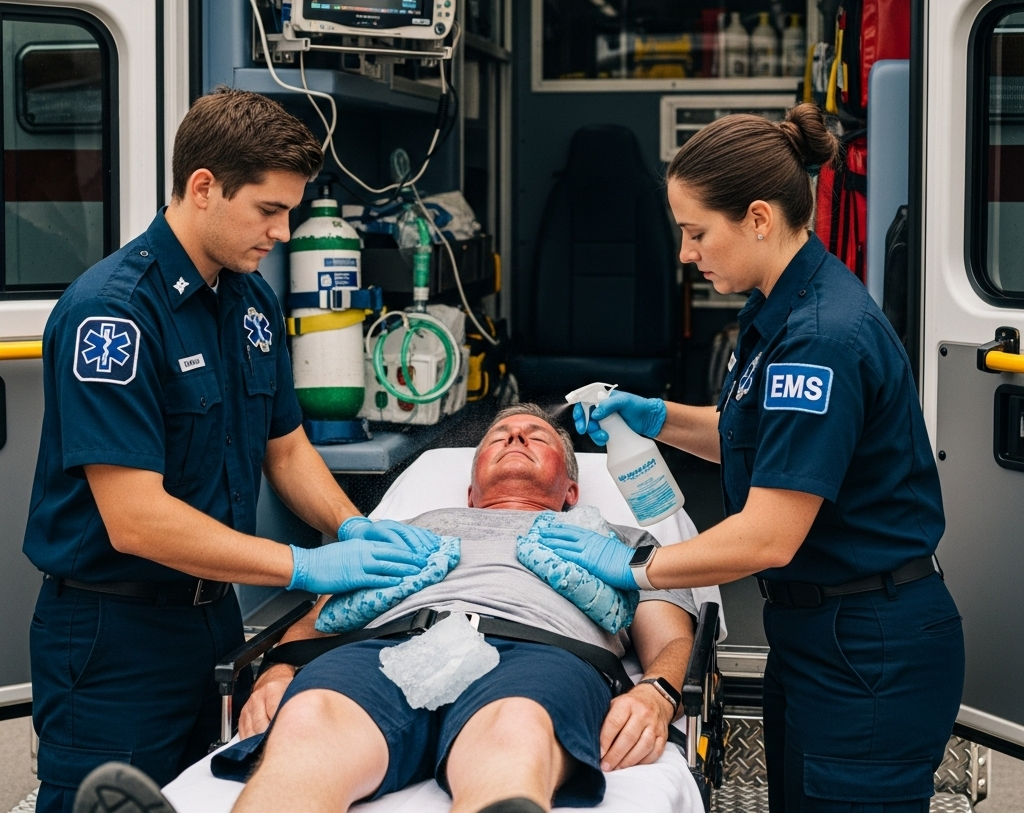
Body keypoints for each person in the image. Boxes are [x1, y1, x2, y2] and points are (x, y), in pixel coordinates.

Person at [538, 104, 965, 812]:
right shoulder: (776, 314)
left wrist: (636, 568)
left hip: (868, 647)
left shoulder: (821, 338)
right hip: (813, 632)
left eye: (696, 232)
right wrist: (657, 415)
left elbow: (769, 534)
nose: (685, 252)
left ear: (759, 219)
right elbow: (760, 438)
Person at [24, 89, 438, 813]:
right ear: (204, 187)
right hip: (114, 634)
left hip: (212, 621)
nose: (282, 234)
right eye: (269, 211)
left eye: (291, 212)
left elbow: (286, 450)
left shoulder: (248, 302)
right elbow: (136, 520)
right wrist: (303, 564)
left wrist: (348, 527)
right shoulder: (114, 314)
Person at [75, 403, 701, 813]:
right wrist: (280, 670)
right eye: (499, 435)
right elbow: (324, 613)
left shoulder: (616, 541)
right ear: (469, 484)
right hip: (390, 647)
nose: (515, 435)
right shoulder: (415, 525)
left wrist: (657, 694)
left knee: (513, 731)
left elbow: (670, 637)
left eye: (537, 435)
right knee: (312, 721)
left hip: (540, 652)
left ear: (570, 488)